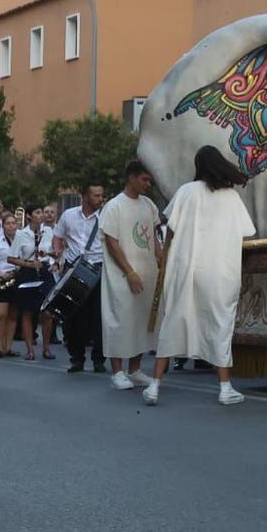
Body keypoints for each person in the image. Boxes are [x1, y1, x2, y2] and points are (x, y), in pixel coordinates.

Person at [145, 146, 256, 407]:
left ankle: (154, 386)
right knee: (219, 324)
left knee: (173, 322)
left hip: (185, 269)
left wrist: (165, 258)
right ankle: (225, 388)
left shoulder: (185, 192)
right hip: (219, 271)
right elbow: (245, 233)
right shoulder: (230, 197)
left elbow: (170, 229)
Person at [100, 160, 164, 391]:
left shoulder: (148, 205)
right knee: (120, 320)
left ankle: (135, 369)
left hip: (147, 273)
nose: (148, 184)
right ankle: (117, 371)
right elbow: (111, 241)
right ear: (131, 177)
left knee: (140, 320)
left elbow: (154, 237)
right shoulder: (114, 206)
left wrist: (160, 257)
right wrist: (129, 272)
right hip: (122, 275)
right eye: (145, 179)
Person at [55, 182, 107, 373]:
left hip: (97, 268)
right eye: (96, 195)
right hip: (73, 268)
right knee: (72, 315)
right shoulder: (68, 215)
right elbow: (58, 236)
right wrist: (58, 249)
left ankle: (99, 360)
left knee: (98, 316)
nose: (100, 199)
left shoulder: (105, 217)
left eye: (101, 195)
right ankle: (76, 358)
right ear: (84, 196)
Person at [0, 210, 37, 358]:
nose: (11, 226)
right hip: (1, 279)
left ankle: (8, 347)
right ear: (3, 226)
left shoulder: (24, 241)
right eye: (8, 223)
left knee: (13, 316)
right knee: (1, 315)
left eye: (14, 223)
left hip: (17, 279)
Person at [32, 204, 60, 360]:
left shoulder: (52, 231)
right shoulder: (24, 233)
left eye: (51, 212)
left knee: (48, 310)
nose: (48, 215)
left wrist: (54, 260)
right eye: (44, 212)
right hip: (31, 269)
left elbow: (57, 251)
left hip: (47, 269)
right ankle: (30, 345)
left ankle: (47, 346)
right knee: (30, 310)